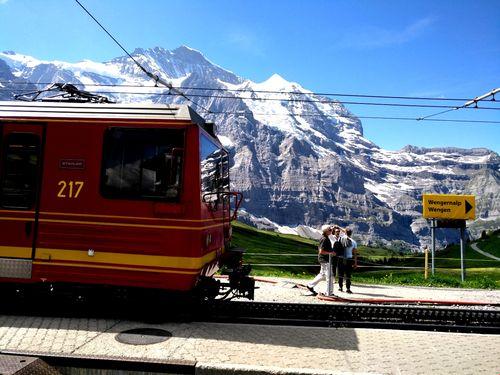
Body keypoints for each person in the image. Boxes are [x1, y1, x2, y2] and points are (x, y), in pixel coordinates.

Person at [307, 225, 336, 296]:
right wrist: (330, 253)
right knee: (329, 276)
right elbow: (321, 251)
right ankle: (329, 292)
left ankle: (310, 285)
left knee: (322, 274)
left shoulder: (325, 238)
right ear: (326, 231)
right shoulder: (324, 239)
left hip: (324, 259)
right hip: (325, 260)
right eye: (330, 230)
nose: (331, 231)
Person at [337, 228, 357, 293]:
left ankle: (340, 287)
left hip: (341, 258)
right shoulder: (354, 242)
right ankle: (348, 288)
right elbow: (355, 253)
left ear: (345, 233)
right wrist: (355, 263)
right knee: (348, 274)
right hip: (349, 259)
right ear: (351, 233)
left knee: (340, 273)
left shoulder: (340, 239)